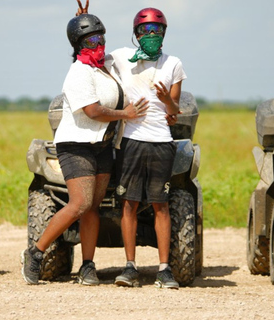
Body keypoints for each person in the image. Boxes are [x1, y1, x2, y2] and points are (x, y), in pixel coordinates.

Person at [21, 11, 149, 286]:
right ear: (78, 46)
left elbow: (126, 57)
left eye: (99, 37)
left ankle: (87, 266)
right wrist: (125, 115)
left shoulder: (107, 65)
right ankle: (35, 252)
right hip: (76, 145)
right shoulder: (78, 71)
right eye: (90, 41)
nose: (97, 44)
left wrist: (85, 19)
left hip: (102, 145)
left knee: (93, 207)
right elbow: (92, 111)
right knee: (79, 203)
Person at [108, 7, 186, 289]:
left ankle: (164, 270)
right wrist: (81, 19)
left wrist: (167, 98)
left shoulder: (173, 63)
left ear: (164, 33)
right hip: (130, 140)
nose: (151, 35)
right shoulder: (119, 58)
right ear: (136, 34)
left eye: (156, 30)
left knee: (160, 205)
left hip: (161, 141)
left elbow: (175, 110)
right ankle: (130, 267)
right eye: (145, 31)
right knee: (129, 203)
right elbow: (87, 55)